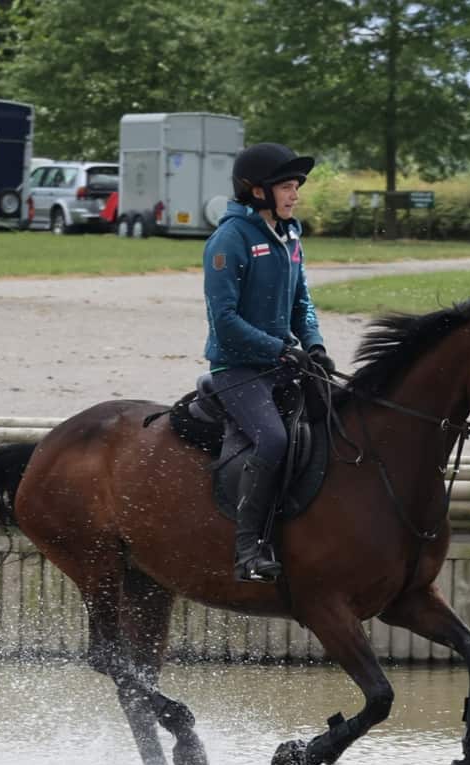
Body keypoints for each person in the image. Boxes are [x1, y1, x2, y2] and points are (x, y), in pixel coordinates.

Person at [203, 142, 335, 583]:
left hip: (284, 363)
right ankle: (248, 551)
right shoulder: (230, 239)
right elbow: (225, 321)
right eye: (286, 186)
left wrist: (313, 343)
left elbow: (302, 303)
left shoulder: (290, 235)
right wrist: (279, 349)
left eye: (296, 186)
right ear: (256, 190)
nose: (294, 194)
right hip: (237, 369)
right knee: (274, 440)